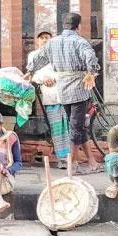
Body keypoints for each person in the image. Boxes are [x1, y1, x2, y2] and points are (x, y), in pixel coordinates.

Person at [25, 12, 101, 175]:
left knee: (76, 126)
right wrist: (90, 72)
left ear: (64, 25)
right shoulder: (79, 41)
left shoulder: (53, 43)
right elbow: (91, 58)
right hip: (79, 91)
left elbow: (39, 57)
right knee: (76, 127)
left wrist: (30, 71)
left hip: (62, 91)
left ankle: (90, 163)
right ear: (78, 26)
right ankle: (72, 165)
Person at [27, 31, 70, 169]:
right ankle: (62, 159)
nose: (45, 40)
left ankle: (70, 158)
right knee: (57, 128)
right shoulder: (33, 56)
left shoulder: (58, 54)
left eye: (47, 38)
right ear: (37, 41)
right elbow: (32, 75)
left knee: (68, 127)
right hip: (50, 96)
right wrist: (43, 79)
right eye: (42, 38)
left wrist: (55, 78)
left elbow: (65, 71)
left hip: (65, 94)